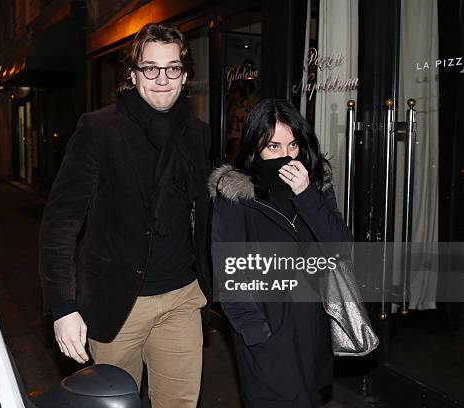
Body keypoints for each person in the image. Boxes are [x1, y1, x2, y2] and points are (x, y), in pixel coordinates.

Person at [39, 23, 212, 408]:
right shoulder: (99, 129)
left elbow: (201, 214)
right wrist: (63, 306)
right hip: (118, 303)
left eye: (172, 68)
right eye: (150, 68)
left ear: (185, 76)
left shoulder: (197, 135)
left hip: (182, 297)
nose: (162, 79)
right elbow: (60, 223)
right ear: (133, 75)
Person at [209, 99, 351, 408]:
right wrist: (256, 333)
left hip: (313, 329)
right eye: (273, 146)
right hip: (267, 332)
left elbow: (341, 248)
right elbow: (228, 272)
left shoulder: (314, 186)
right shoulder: (236, 196)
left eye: (293, 145)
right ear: (255, 149)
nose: (286, 156)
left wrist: (307, 196)